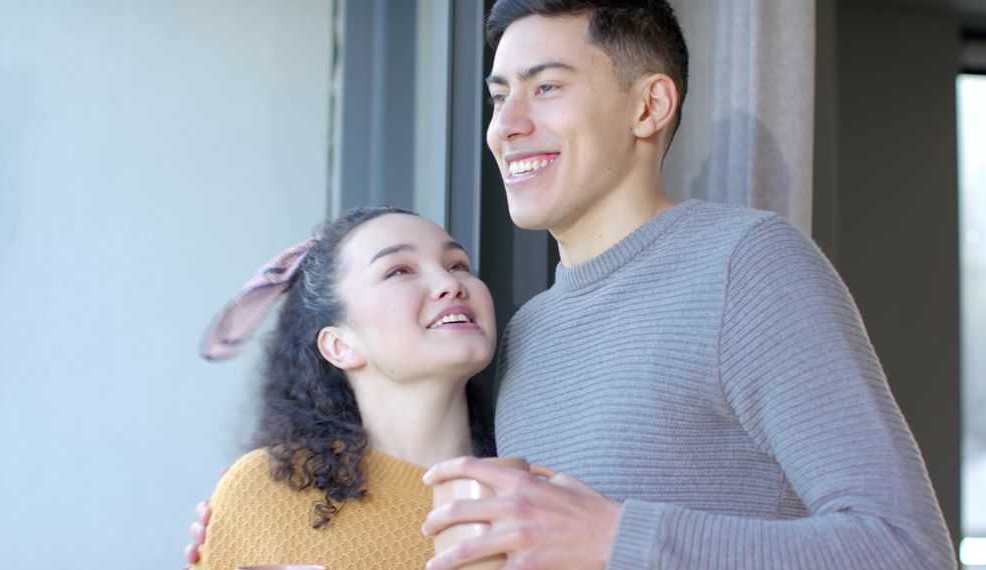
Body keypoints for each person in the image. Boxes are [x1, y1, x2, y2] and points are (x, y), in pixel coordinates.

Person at [418, 1, 956, 569]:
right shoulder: (529, 333)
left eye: (546, 87)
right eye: (499, 97)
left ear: (649, 106)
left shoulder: (746, 264)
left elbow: (909, 551)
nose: (506, 126)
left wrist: (614, 536)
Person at [187, 206, 498, 570]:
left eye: (458, 265)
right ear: (339, 346)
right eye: (399, 270)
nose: (451, 284)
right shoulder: (259, 497)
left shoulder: (538, 488)